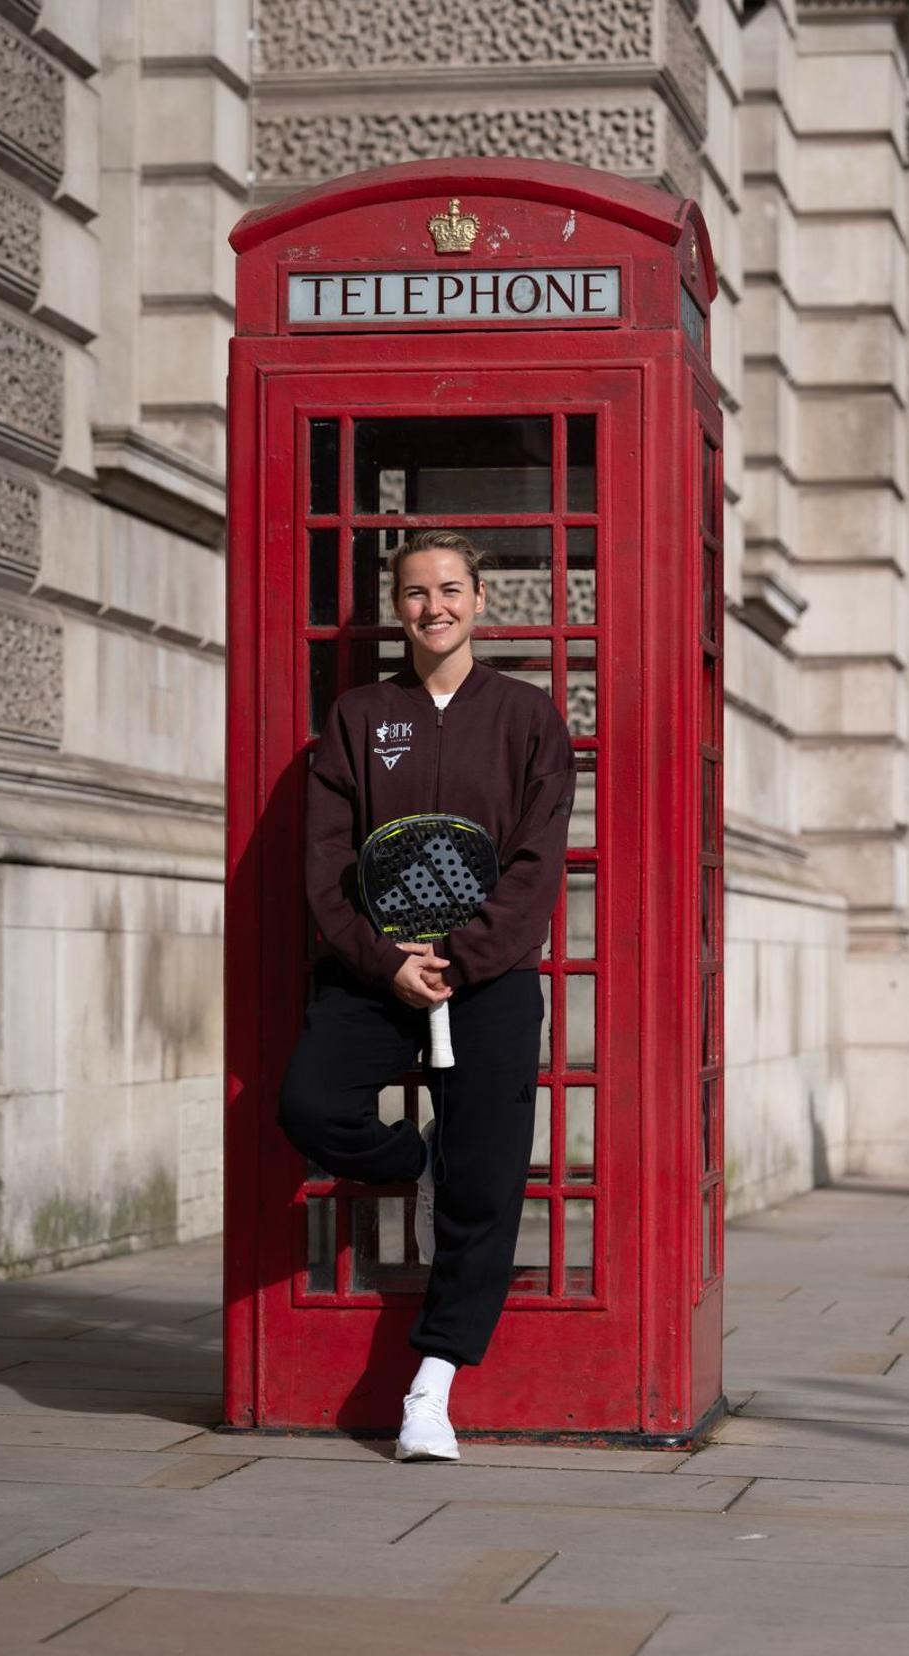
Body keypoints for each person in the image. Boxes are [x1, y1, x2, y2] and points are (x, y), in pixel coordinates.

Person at [278, 529, 575, 1461]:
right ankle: (414, 1157)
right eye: (415, 592)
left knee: (486, 1182)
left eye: (450, 588)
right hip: (377, 970)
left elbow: (536, 867)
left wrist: (460, 953)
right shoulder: (359, 717)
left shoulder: (529, 719)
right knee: (309, 1101)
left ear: (480, 599)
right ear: (396, 605)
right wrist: (386, 959)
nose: (434, 606)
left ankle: (432, 1387)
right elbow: (324, 867)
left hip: (488, 978)